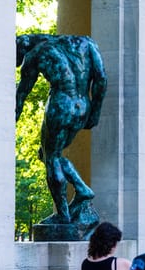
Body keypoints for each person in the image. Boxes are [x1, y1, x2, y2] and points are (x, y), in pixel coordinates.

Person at [15, 34, 107, 226]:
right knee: (47, 154)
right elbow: (101, 78)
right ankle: (82, 190)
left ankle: (63, 216)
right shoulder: (86, 42)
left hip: (61, 104)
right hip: (83, 105)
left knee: (52, 158)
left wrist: (12, 120)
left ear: (23, 45)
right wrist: (94, 112)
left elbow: (22, 93)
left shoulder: (36, 54)